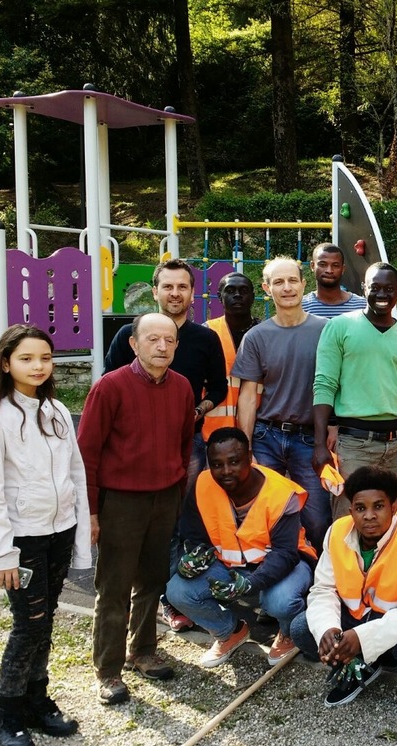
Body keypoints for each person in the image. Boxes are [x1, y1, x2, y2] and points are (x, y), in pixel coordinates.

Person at [0, 325, 91, 746]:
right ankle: (8, 713)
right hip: (22, 538)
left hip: (58, 531)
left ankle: (37, 699)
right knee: (29, 623)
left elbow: (76, 473)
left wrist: (79, 531)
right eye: (26, 358)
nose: (38, 366)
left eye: (45, 358)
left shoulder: (55, 409)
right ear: (5, 363)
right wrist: (2, 552)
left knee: (46, 617)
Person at [104, 259, 227, 632]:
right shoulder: (130, 334)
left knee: (177, 520)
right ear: (155, 291)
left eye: (182, 287)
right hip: (135, 447)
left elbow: (218, 387)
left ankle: (170, 596)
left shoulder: (205, 338)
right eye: (168, 286)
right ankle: (134, 600)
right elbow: (109, 385)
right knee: (135, 522)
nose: (175, 293)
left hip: (186, 443)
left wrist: (198, 410)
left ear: (193, 293)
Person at [78, 313, 195, 705]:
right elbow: (87, 455)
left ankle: (142, 650)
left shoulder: (181, 387)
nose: (162, 347)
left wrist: (177, 492)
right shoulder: (109, 388)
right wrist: (91, 511)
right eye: (153, 340)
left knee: (151, 580)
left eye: (170, 340)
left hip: (164, 497)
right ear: (134, 343)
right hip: (121, 501)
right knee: (113, 586)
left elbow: (183, 444)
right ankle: (107, 669)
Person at [290, 467, 397, 723]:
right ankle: (358, 665)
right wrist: (328, 629)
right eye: (360, 508)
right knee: (304, 628)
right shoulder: (337, 531)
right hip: (357, 618)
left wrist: (361, 638)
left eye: (378, 506)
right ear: (351, 511)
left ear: (395, 508)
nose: (369, 516)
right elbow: (324, 589)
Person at [167, 428, 317, 668]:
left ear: (249, 457)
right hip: (228, 567)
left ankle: (288, 633)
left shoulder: (279, 492)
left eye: (234, 462)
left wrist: (251, 584)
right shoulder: (203, 484)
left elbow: (285, 554)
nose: (226, 471)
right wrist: (194, 557)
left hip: (286, 567)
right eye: (217, 464)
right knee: (178, 592)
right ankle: (230, 632)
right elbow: (195, 536)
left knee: (280, 601)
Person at [234, 257, 331, 548]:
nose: (286, 288)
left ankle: (317, 581)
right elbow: (248, 396)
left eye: (292, 280)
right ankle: (268, 577)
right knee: (264, 512)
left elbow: (337, 386)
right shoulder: (256, 337)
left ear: (304, 284)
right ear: (267, 288)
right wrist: (246, 445)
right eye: (278, 282)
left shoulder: (327, 331)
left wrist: (332, 429)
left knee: (317, 518)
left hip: (310, 438)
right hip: (267, 436)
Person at [313, 262, 397, 518]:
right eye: (375, 287)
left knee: (388, 521)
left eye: (389, 288)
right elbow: (324, 385)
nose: (382, 294)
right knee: (348, 518)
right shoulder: (339, 327)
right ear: (364, 288)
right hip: (353, 444)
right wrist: (320, 445)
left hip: (396, 446)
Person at [202, 272, 259, 440]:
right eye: (230, 290)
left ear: (253, 296)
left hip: (260, 433)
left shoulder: (266, 335)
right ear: (220, 297)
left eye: (243, 290)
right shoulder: (206, 333)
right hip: (214, 433)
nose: (237, 295)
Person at [301, 242, 367, 318]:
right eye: (323, 264)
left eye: (335, 265)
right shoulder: (301, 307)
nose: (329, 270)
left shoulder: (361, 306)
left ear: (343, 269)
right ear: (312, 266)